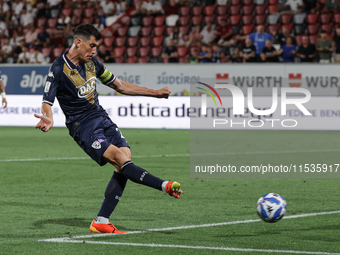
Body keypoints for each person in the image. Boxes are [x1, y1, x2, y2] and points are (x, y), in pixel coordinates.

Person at [34, 24, 183, 234]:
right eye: (91, 46)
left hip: (102, 118)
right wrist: (48, 118)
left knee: (126, 158)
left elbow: (119, 85)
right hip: (83, 127)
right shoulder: (58, 69)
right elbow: (47, 101)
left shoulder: (93, 63)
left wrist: (154, 93)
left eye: (96, 47)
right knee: (122, 161)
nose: (94, 51)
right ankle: (165, 185)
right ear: (78, 42)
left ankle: (101, 220)